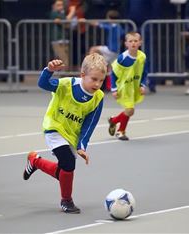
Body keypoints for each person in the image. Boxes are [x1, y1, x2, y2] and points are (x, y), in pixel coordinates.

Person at [23, 53, 107, 214]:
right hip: (54, 127)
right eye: (94, 79)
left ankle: (35, 161)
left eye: (101, 80)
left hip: (71, 135)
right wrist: (49, 70)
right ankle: (66, 201)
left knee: (64, 170)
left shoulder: (98, 98)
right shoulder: (66, 84)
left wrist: (82, 146)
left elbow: (90, 124)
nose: (98, 84)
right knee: (68, 163)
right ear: (83, 75)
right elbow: (43, 84)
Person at [108, 32, 148, 141]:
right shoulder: (122, 58)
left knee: (130, 111)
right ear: (126, 44)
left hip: (134, 87)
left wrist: (142, 85)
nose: (133, 43)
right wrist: (114, 89)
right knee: (130, 110)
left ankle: (114, 120)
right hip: (124, 88)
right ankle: (121, 132)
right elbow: (114, 74)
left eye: (136, 41)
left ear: (140, 42)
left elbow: (144, 72)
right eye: (130, 41)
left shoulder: (142, 56)